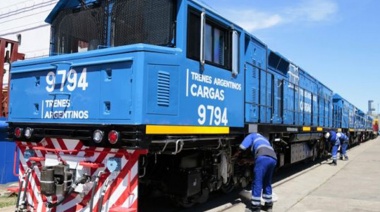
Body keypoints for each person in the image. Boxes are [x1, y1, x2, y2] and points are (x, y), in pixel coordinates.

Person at [233, 133, 277, 212]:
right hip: (273, 158)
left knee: (257, 182)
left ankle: (255, 207)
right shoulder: (263, 138)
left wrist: (235, 155)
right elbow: (261, 157)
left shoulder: (251, 135)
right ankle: (268, 206)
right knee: (267, 182)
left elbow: (242, 147)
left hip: (262, 157)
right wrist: (246, 161)